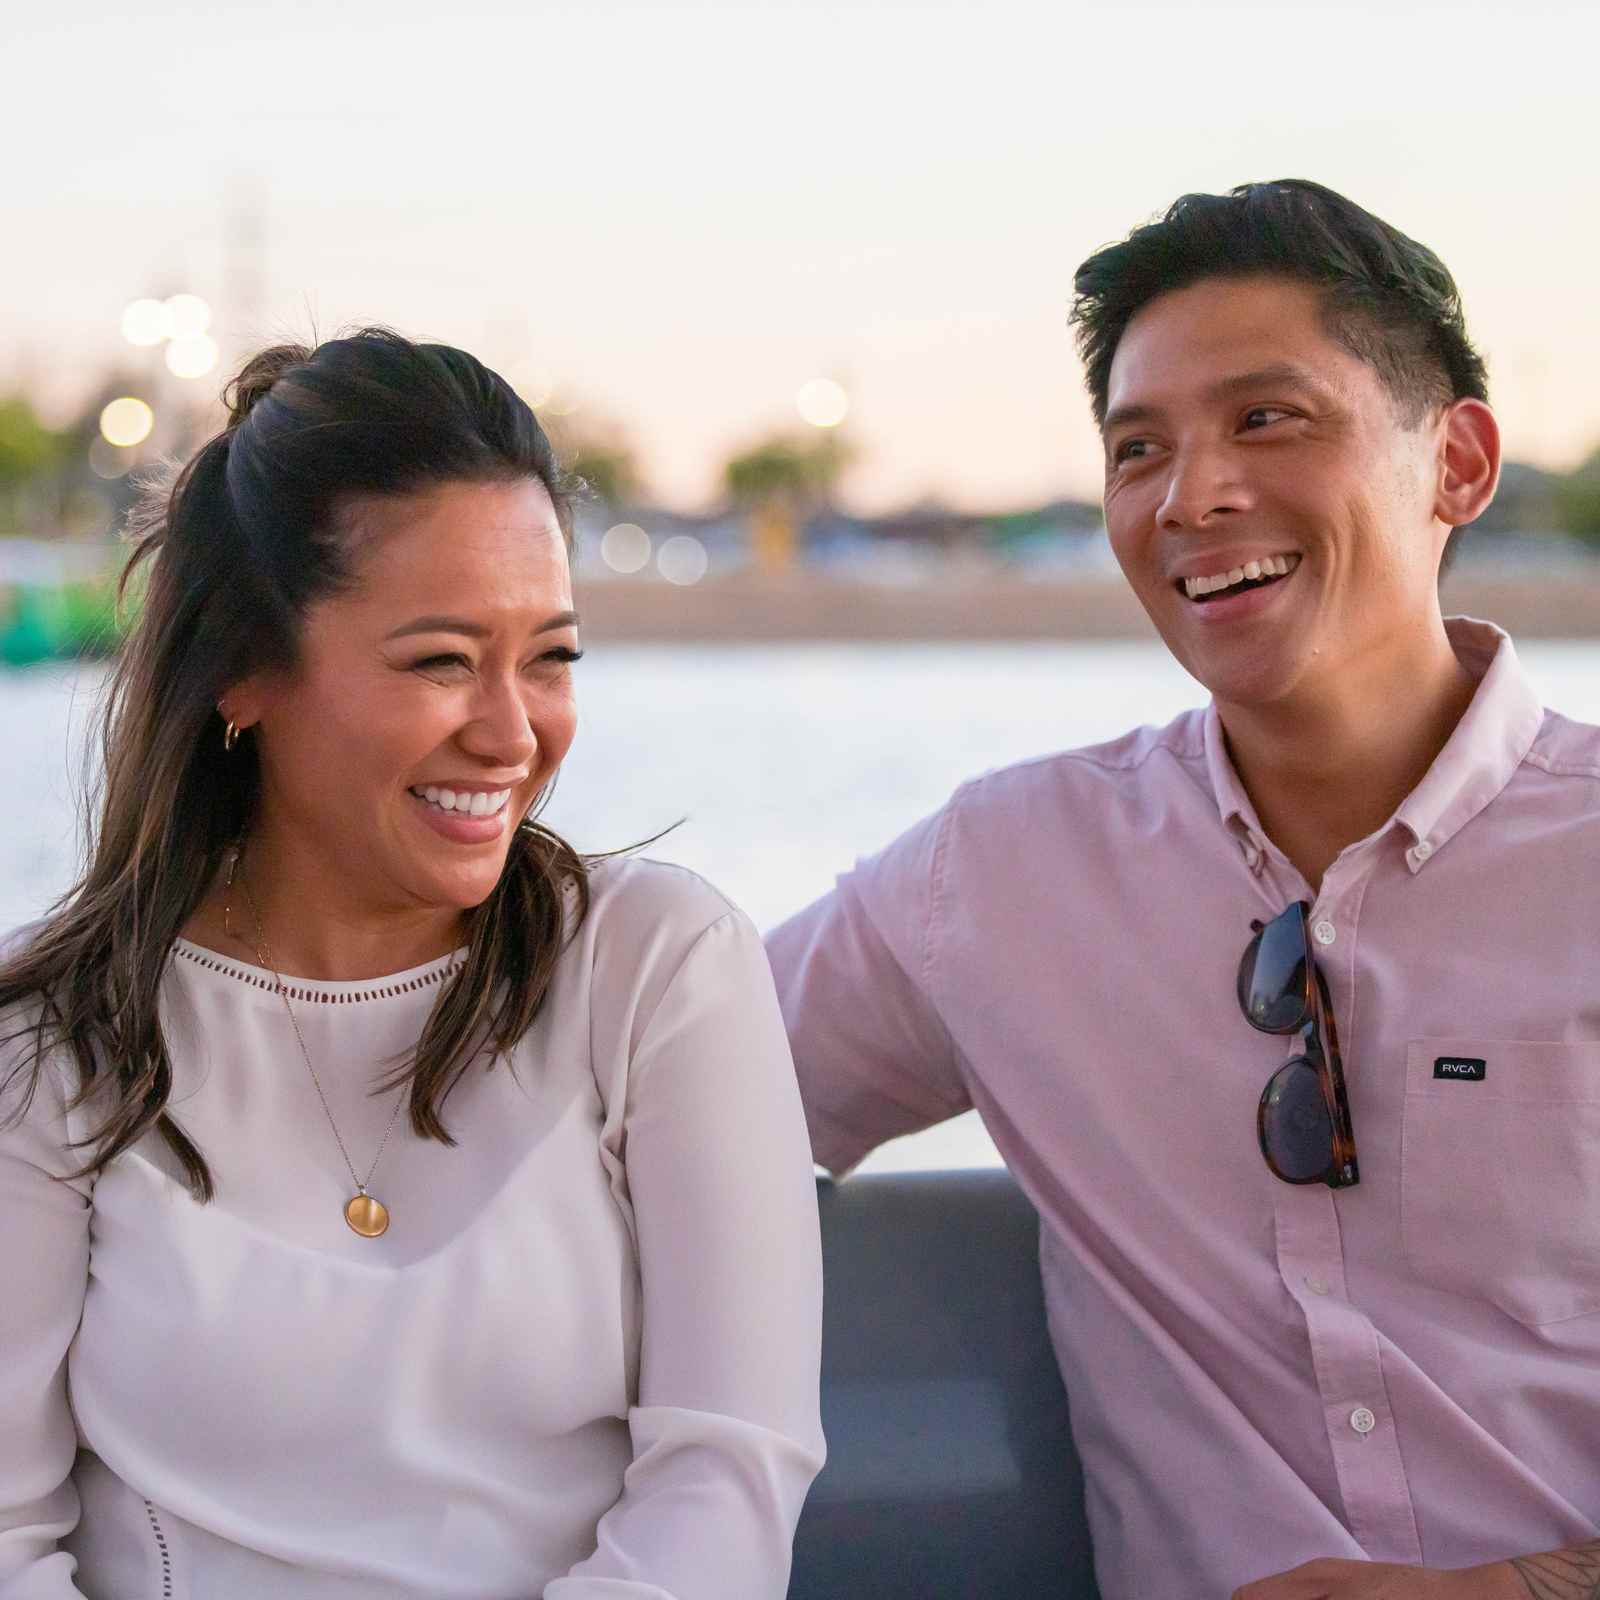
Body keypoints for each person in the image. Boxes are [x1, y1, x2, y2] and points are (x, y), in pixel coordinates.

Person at [767, 180, 1600, 1600]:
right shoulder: (1004, 877)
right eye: (1136, 448)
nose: (1192, 496)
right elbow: (639, 1098)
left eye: (1266, 420)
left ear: (1457, 463)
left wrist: (1520, 1589)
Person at [0, 330, 824, 1600]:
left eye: (549, 657)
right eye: (441, 660)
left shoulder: (660, 966)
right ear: (244, 672)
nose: (511, 732)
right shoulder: (53, 1035)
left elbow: (727, 1481)